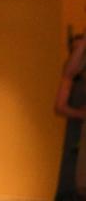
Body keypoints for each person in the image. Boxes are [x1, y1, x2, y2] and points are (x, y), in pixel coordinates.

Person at [54, 32, 86, 200]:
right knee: (73, 179)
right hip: (76, 132)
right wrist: (80, 114)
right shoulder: (71, 76)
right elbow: (59, 107)